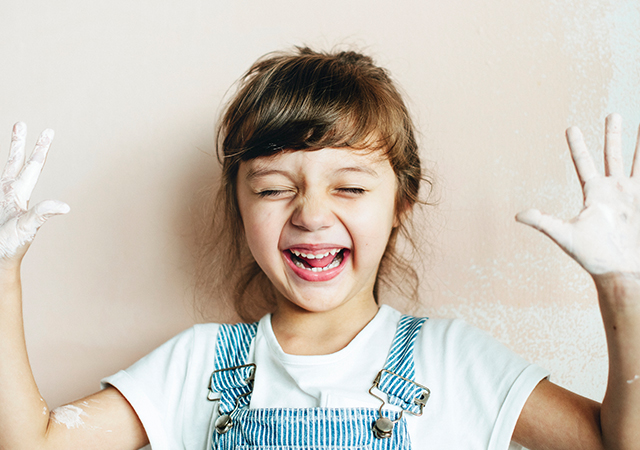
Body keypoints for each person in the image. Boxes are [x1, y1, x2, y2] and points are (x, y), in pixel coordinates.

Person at [0, 47, 638, 450]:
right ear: (240, 208)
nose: (309, 214)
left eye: (351, 186)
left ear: (401, 205)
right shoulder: (196, 368)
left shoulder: (454, 363)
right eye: (274, 188)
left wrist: (624, 284)